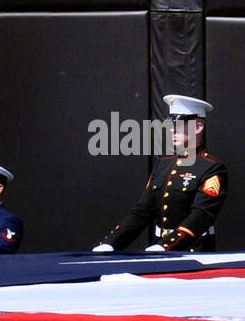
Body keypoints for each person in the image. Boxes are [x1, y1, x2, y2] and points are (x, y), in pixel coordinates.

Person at [94, 94, 227, 253]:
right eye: (172, 124)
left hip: (193, 252)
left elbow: (201, 216)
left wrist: (166, 245)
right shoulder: (164, 164)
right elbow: (143, 211)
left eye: (180, 123)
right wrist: (112, 243)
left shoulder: (211, 167)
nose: (173, 129)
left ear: (198, 127)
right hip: (159, 250)